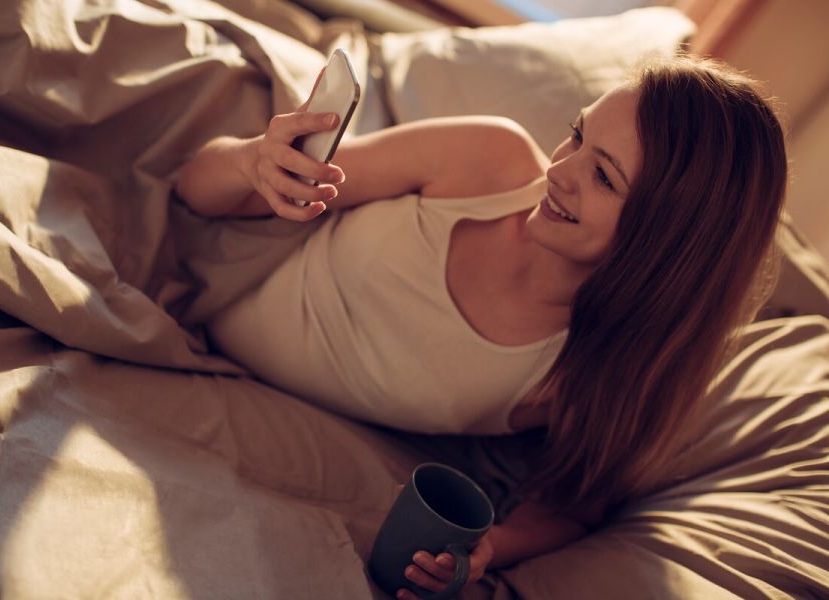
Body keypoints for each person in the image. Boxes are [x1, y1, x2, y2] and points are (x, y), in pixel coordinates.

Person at [175, 54, 787, 597]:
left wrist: (494, 546)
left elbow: (578, 502)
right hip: (214, 257)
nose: (562, 171)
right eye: (576, 134)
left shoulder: (584, 371)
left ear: (669, 242)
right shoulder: (486, 162)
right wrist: (255, 160)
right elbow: (197, 188)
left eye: (603, 176)